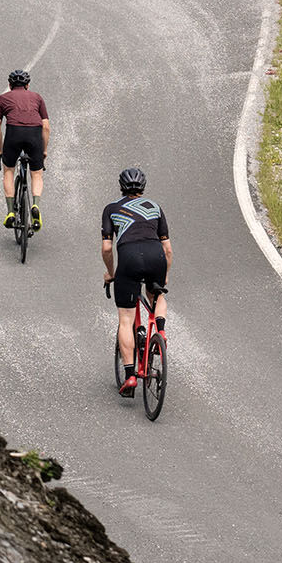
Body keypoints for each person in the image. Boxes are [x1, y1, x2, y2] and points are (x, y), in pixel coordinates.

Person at [100, 167, 171, 396]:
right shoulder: (155, 208)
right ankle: (160, 332)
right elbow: (167, 249)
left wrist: (111, 272)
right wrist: (165, 274)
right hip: (155, 256)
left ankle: (130, 376)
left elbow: (107, 247)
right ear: (143, 187)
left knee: (126, 318)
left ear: (121, 187)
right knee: (156, 295)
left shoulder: (111, 209)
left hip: (129, 259)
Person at [0, 68, 49, 229]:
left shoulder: (2, 99)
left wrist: (1, 148)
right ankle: (35, 205)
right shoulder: (37, 97)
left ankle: (10, 211)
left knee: (9, 170)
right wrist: (43, 149)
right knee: (37, 174)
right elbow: (46, 127)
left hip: (14, 134)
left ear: (9, 85)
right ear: (28, 85)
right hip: (34, 134)